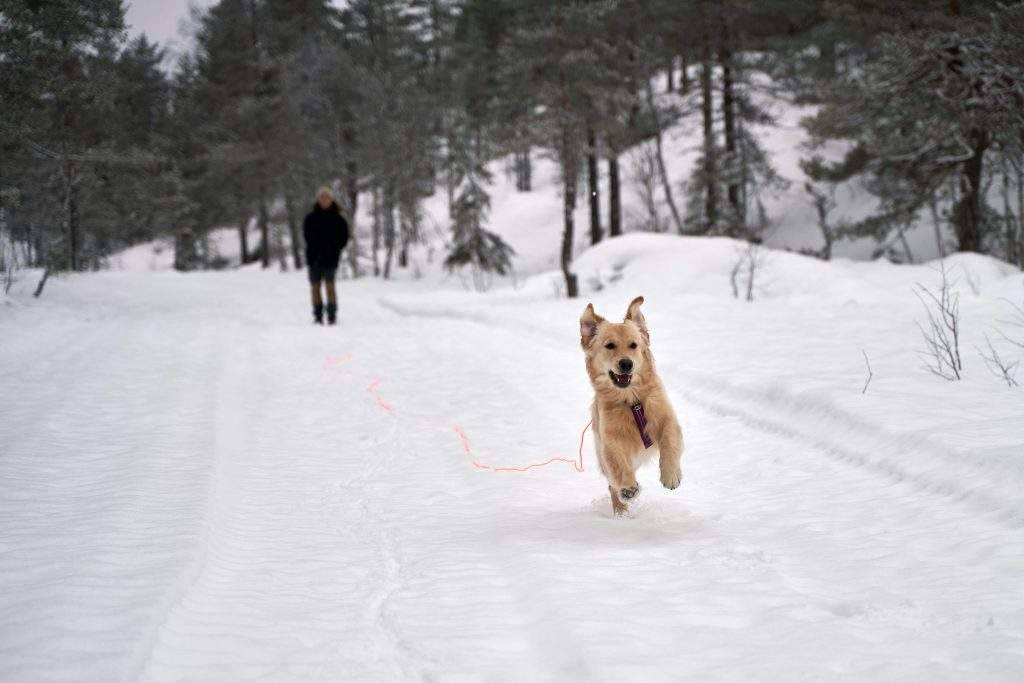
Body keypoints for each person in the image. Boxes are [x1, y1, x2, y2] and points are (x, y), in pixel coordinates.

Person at [303, 187, 349, 325]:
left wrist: (335, 248)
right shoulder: (310, 218)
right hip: (313, 258)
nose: (324, 200)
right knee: (315, 287)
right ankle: (318, 315)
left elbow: (344, 237)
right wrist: (315, 249)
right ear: (318, 200)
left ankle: (332, 314)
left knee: (330, 286)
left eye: (327, 197)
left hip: (331, 258)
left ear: (331, 199)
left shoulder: (339, 219)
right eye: (322, 198)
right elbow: (306, 236)